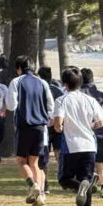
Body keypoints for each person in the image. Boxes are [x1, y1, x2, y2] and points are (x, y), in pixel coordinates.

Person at [53, 67, 103, 206]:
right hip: (89, 145)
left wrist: (59, 128)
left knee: (64, 179)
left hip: (71, 145)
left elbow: (58, 124)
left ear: (64, 84)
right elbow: (101, 122)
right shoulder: (90, 100)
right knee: (85, 178)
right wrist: (90, 127)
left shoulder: (61, 100)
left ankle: (80, 187)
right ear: (80, 82)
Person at [5, 55, 54, 206]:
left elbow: (11, 105)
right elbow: (50, 106)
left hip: (24, 126)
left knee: (21, 161)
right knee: (35, 162)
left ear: (18, 69)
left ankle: (32, 185)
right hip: (40, 127)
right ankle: (40, 196)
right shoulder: (42, 82)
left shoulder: (16, 82)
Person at [80, 68, 103, 199]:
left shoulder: (79, 96)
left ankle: (88, 183)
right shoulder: (102, 96)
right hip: (100, 133)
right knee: (100, 161)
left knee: (86, 162)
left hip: (84, 134)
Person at [37, 66, 64, 194]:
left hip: (43, 126)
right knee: (59, 153)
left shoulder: (38, 90)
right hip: (57, 125)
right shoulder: (58, 90)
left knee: (44, 156)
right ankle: (63, 178)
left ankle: (45, 183)